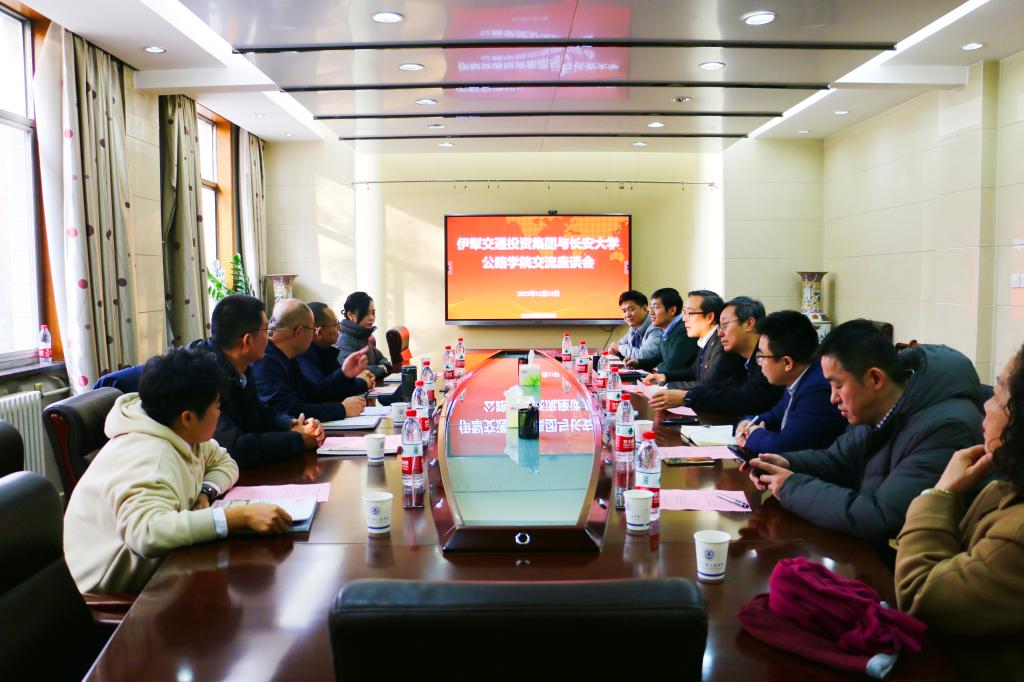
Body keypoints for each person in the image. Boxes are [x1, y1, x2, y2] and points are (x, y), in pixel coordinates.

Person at [63, 349, 293, 594]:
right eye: (216, 407)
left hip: (163, 564)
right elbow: (146, 533)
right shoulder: (150, 457)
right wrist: (238, 517)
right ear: (188, 418)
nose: (219, 413)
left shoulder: (180, 432)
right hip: (114, 588)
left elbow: (226, 462)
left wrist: (206, 491)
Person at [744, 319, 983, 552]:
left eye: (838, 386)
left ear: (875, 379)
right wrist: (787, 463)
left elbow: (882, 517)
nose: (832, 398)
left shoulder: (943, 430)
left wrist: (790, 487)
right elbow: (837, 460)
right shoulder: (875, 410)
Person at [895, 346, 1024, 647]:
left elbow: (919, 596)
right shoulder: (1002, 487)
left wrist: (941, 492)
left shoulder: (1016, 536)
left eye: (998, 394)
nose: (986, 405)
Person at [189, 294, 323, 468]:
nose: (270, 338)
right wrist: (298, 439)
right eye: (266, 331)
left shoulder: (241, 367)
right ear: (247, 341)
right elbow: (234, 448)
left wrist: (291, 424)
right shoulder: (202, 379)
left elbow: (261, 412)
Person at [649, 296, 782, 416]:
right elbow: (716, 387)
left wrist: (686, 397)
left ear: (749, 324)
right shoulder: (736, 354)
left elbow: (747, 400)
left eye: (725, 325)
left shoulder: (769, 358)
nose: (720, 333)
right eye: (720, 327)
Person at [736, 310, 847, 454]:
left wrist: (754, 435)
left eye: (762, 356)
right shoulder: (799, 376)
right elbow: (774, 417)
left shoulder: (818, 389)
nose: (759, 362)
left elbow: (785, 447)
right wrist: (745, 423)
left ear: (787, 362)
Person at [254, 298, 369, 422]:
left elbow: (313, 392)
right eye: (312, 329)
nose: (314, 334)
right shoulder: (265, 361)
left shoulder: (287, 357)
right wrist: (342, 409)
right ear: (299, 331)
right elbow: (285, 410)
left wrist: (344, 373)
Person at [642, 289, 743, 390]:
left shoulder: (722, 344)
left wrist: (667, 386)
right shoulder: (706, 340)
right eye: (684, 312)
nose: (684, 319)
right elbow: (693, 372)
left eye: (689, 313)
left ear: (709, 317)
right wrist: (665, 377)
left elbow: (710, 386)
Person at [298, 301, 377, 394]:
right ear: (319, 332)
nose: (340, 328)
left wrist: (360, 378)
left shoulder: (326, 350)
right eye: (336, 323)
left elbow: (339, 383)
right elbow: (321, 390)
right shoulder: (303, 355)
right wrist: (362, 382)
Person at [631, 287, 698, 376]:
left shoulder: (685, 331)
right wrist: (638, 363)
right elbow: (658, 357)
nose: (650, 313)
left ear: (672, 310)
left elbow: (671, 368)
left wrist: (657, 369)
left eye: (655, 307)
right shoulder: (667, 330)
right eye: (651, 307)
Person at [336, 291, 393, 383]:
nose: (371, 318)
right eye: (366, 313)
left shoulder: (363, 336)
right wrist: (380, 369)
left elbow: (383, 360)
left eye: (373, 313)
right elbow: (353, 370)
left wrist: (384, 367)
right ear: (350, 315)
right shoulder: (343, 340)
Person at [607, 290, 662, 365]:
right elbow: (617, 344)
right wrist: (612, 348)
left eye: (631, 310)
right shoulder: (633, 328)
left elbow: (643, 355)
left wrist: (619, 348)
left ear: (645, 308)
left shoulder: (656, 327)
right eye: (624, 311)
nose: (627, 315)